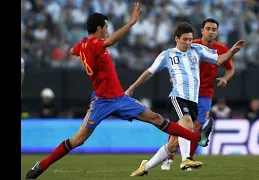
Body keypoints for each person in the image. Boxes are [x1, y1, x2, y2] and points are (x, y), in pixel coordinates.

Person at [25, 3, 213, 180]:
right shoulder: (94, 45)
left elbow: (73, 51)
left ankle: (197, 137)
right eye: (106, 27)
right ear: (99, 29)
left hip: (121, 99)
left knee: (156, 118)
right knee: (78, 140)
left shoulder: (82, 46)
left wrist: (77, 53)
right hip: (101, 101)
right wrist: (131, 22)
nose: (107, 30)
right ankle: (41, 166)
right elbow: (110, 41)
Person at [126, 22, 245, 176]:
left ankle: (146, 166)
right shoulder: (167, 55)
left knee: (174, 144)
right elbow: (149, 72)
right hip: (177, 98)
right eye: (185, 39)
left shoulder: (197, 49)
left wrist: (232, 51)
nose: (188, 43)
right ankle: (186, 159)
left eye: (190, 39)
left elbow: (218, 60)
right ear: (176, 39)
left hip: (193, 101)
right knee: (187, 123)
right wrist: (131, 88)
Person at [161, 18, 235, 171]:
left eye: (214, 29)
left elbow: (230, 68)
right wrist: (174, 75)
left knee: (196, 126)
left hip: (206, 94)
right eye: (208, 29)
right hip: (186, 92)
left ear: (217, 32)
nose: (211, 32)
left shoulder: (221, 49)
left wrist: (225, 79)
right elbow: (174, 58)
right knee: (178, 126)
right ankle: (169, 158)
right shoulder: (191, 44)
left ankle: (188, 159)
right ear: (202, 30)